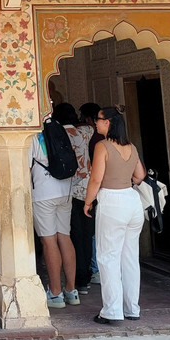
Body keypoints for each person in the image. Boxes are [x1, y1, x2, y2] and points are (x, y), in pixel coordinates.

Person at [84, 106, 146, 324]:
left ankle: (112, 311)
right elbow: (140, 175)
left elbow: (95, 179)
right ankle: (132, 308)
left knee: (108, 258)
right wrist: (125, 182)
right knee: (129, 258)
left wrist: (88, 202)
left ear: (107, 122)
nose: (96, 123)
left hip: (112, 202)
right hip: (132, 201)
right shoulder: (131, 146)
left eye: (98, 120)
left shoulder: (102, 146)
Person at [30, 103, 80, 309]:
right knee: (64, 237)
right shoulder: (57, 127)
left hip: (43, 193)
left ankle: (56, 293)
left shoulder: (32, 134)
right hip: (64, 190)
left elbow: (24, 165)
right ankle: (71, 290)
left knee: (49, 242)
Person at [73, 102, 100, 292]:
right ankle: (94, 271)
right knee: (93, 234)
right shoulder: (97, 135)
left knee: (82, 235)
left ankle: (87, 273)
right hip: (94, 189)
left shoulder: (88, 134)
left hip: (81, 190)